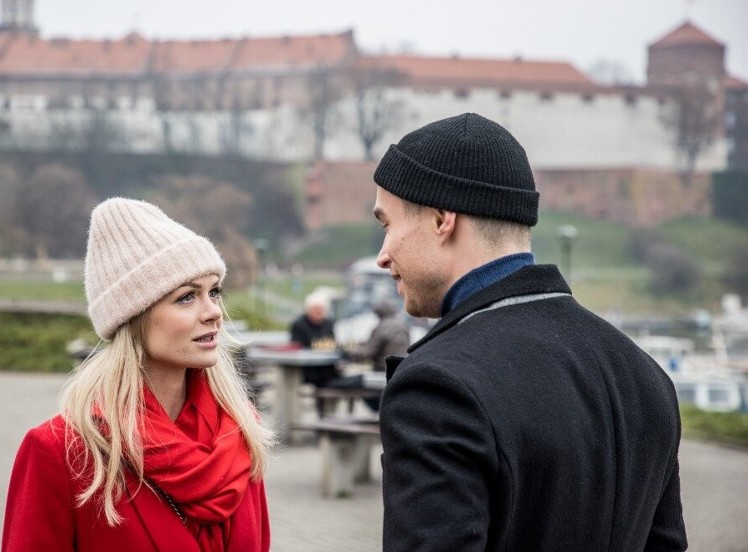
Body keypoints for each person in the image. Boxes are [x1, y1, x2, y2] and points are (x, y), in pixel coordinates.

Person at [372, 113, 687, 551]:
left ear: (442, 218)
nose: (382, 255)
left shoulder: (437, 389)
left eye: (386, 224)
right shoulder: (644, 375)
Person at [2, 198, 274, 552]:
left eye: (214, 291)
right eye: (187, 297)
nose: (213, 312)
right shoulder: (62, 452)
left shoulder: (240, 430)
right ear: (133, 316)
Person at [333, 299, 410, 411]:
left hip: (381, 374)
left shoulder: (382, 327)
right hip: (397, 372)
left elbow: (367, 353)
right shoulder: (402, 326)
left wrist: (347, 352)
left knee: (342, 383)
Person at [288, 291, 339, 388]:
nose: (318, 313)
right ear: (308, 309)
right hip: (306, 370)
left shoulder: (329, 324)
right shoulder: (298, 325)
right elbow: (296, 347)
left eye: (321, 310)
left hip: (327, 368)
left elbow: (332, 344)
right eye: (315, 309)